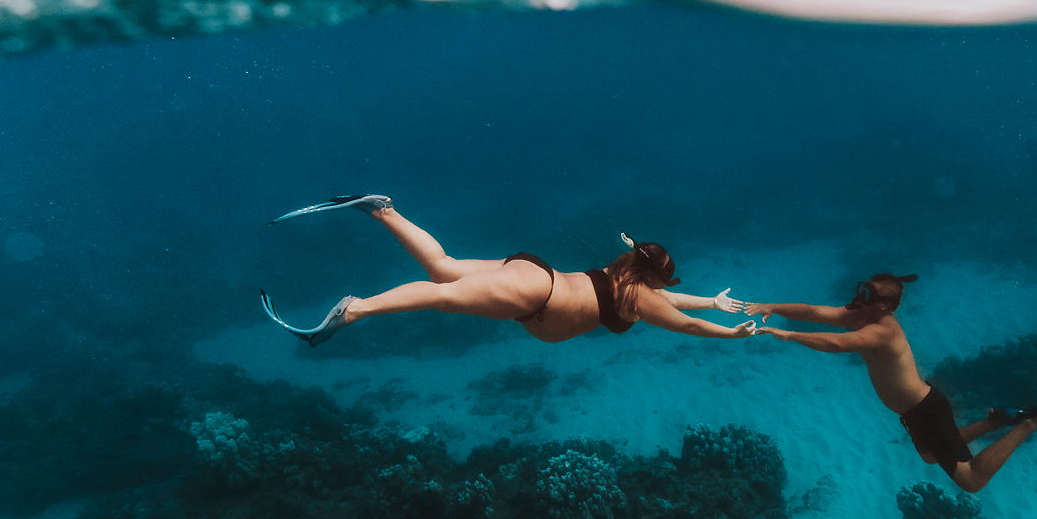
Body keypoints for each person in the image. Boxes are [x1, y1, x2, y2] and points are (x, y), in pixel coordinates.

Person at [261, 194, 760, 346]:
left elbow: (680, 304)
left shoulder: (630, 281)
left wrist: (713, 302)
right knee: (441, 295)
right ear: (650, 278)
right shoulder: (642, 299)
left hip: (533, 274)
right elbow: (686, 321)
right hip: (535, 296)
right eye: (662, 282)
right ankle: (355, 311)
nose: (665, 290)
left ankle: (379, 209)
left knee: (442, 268)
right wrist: (729, 333)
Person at [744, 273, 1037, 493]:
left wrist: (791, 335)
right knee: (929, 456)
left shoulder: (882, 331)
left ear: (885, 307)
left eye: (869, 296)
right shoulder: (860, 315)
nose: (860, 300)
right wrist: (770, 305)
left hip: (927, 409)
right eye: (864, 290)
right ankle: (993, 423)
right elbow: (812, 311)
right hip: (915, 412)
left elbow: (837, 344)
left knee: (971, 481)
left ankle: (1026, 426)